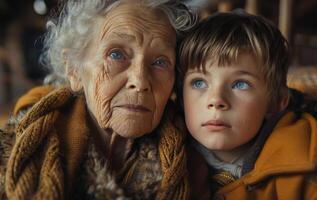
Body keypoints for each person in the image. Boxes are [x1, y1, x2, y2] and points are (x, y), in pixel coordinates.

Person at [0, 0, 196, 199]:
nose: (140, 81)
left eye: (160, 62)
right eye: (116, 54)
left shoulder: (197, 159)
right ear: (74, 70)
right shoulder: (10, 152)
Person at [178, 11, 317, 199]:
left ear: (276, 103)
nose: (216, 100)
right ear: (181, 94)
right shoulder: (159, 162)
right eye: (199, 82)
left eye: (240, 84)